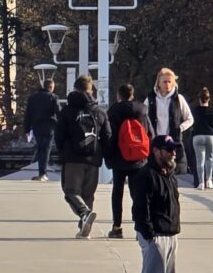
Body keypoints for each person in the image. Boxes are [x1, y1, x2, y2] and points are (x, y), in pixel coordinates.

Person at [130, 135, 183, 273]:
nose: (173, 153)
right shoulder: (145, 175)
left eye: (174, 149)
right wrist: (149, 234)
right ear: (156, 151)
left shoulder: (169, 174)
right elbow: (140, 209)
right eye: (168, 149)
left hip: (170, 234)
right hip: (155, 236)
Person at [54, 75, 110, 238]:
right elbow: (107, 135)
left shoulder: (68, 110)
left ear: (75, 88)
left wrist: (62, 153)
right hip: (93, 159)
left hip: (73, 158)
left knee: (71, 191)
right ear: (91, 89)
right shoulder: (99, 111)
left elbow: (59, 135)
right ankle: (84, 226)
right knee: (88, 194)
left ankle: (84, 214)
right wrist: (105, 156)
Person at [105, 84, 154, 239]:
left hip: (119, 157)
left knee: (117, 192)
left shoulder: (113, 111)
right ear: (132, 95)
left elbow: (110, 135)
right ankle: (140, 225)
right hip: (138, 158)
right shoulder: (143, 110)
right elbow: (150, 133)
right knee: (137, 192)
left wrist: (109, 155)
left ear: (119, 95)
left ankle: (117, 227)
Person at [145, 68, 194, 177]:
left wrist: (180, 128)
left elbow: (190, 119)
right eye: (164, 81)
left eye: (169, 81)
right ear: (158, 83)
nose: (167, 84)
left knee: (171, 172)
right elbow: (143, 116)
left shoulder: (178, 99)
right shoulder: (151, 99)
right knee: (155, 170)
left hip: (172, 142)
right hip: (155, 141)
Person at [24, 79, 61, 182]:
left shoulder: (33, 98)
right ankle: (43, 173)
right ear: (51, 87)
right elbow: (58, 113)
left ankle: (41, 172)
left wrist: (26, 129)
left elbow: (28, 114)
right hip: (49, 127)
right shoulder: (53, 97)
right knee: (46, 150)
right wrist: (61, 126)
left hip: (37, 127)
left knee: (40, 149)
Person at [190, 87, 213, 190]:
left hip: (198, 136)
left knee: (200, 160)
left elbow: (191, 122)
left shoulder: (195, 110)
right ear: (209, 99)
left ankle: (201, 183)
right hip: (211, 136)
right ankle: (209, 181)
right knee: (210, 158)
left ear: (199, 99)